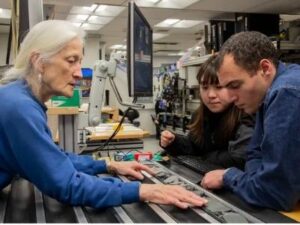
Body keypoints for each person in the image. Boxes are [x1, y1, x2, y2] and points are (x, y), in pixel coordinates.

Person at [0, 20, 207, 209]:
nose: (79, 73)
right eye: (71, 60)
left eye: (79, 62)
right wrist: (142, 190)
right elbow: (66, 185)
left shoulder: (18, 98)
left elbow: (54, 159)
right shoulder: (19, 107)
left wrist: (108, 164)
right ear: (39, 62)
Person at [201, 31, 300, 211]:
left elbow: (275, 194)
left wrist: (228, 176)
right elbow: (255, 154)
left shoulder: (287, 92)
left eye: (235, 86)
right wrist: (258, 183)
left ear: (265, 68)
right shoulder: (268, 94)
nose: (230, 98)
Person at [160, 55, 254, 169]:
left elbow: (240, 159)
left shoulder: (247, 116)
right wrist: (174, 142)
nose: (211, 95)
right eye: (204, 87)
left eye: (218, 87)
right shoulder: (200, 115)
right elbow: (195, 146)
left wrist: (202, 158)